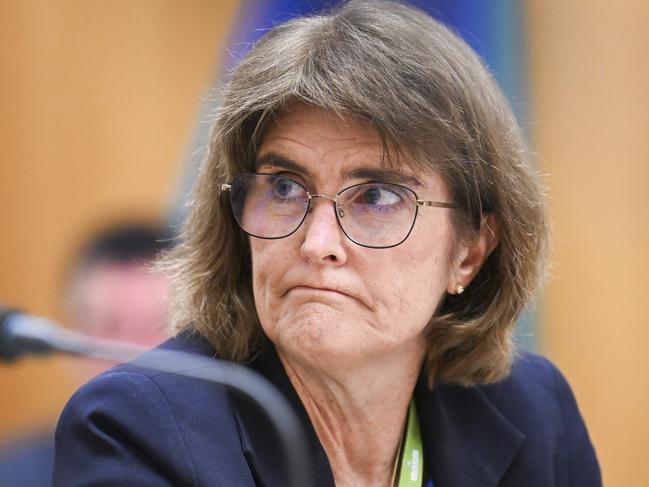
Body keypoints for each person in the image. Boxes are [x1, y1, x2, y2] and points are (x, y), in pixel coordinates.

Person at [53, 1, 601, 486]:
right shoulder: (137, 429)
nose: (317, 243)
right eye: (286, 188)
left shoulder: (533, 411)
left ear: (470, 252)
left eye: (378, 198)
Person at [0, 223, 171, 487]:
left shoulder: (231, 466)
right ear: (71, 336)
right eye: (108, 327)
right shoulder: (14, 476)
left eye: (153, 328)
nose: (127, 354)